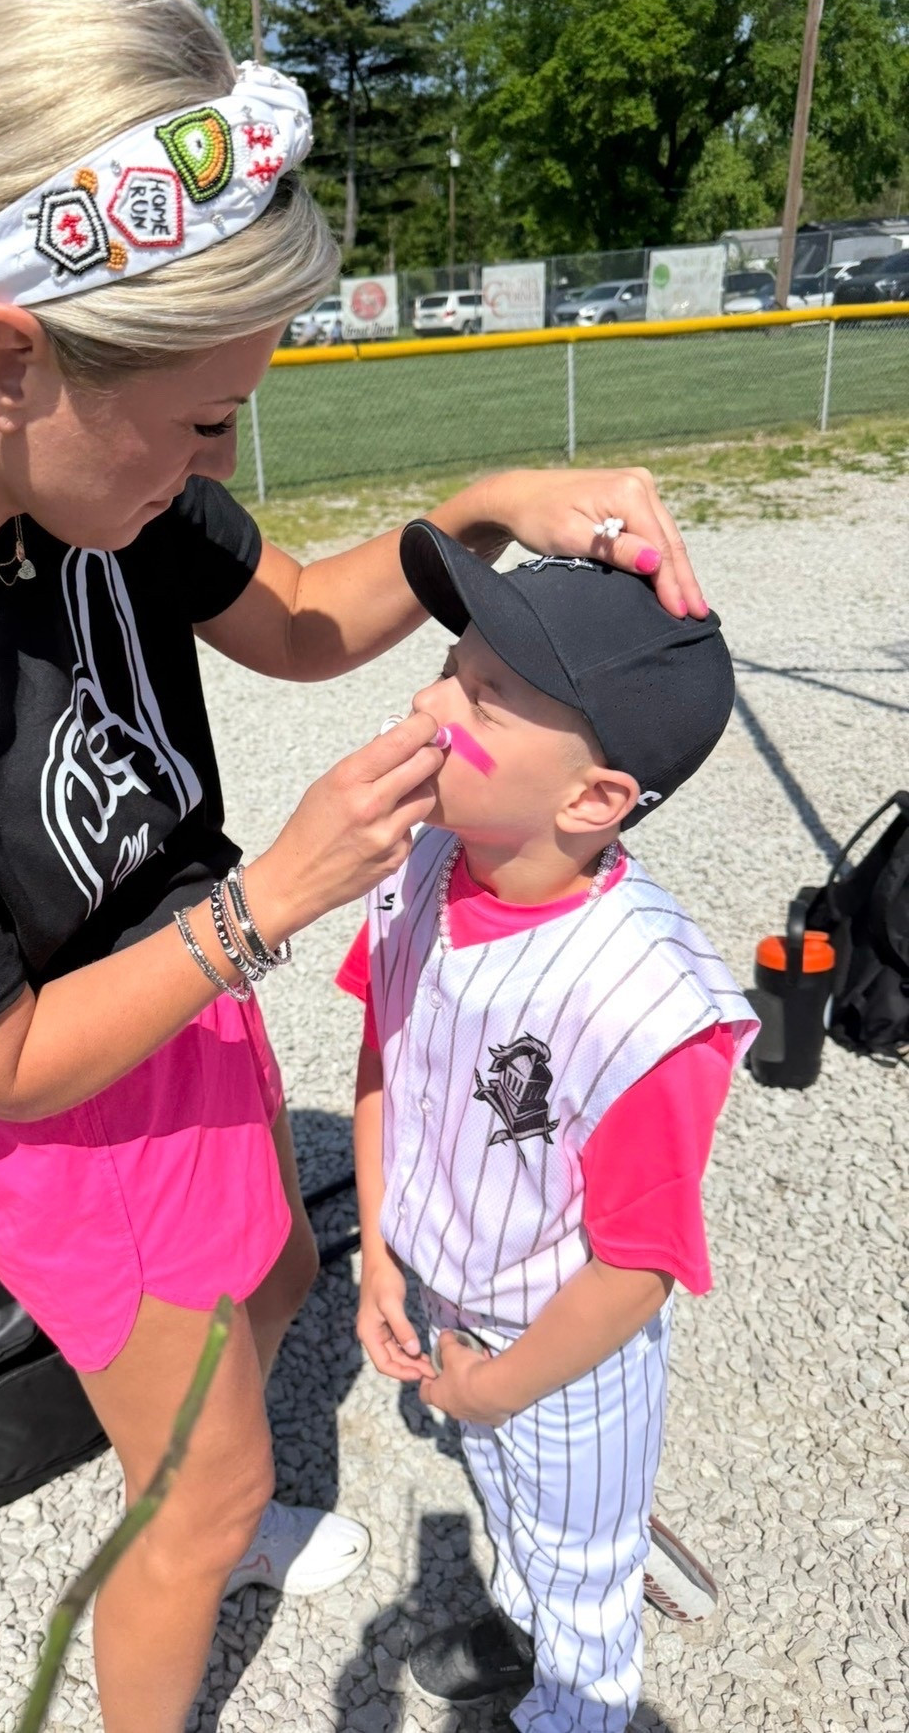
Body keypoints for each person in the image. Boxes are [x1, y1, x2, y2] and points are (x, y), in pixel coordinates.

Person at [0, 0, 709, 1730]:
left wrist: (488, 506)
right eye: (203, 428)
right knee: (186, 1494)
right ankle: (198, 1544)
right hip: (58, 1100)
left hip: (188, 979)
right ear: (9, 362)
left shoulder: (77, 467)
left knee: (268, 1268)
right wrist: (279, 898)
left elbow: (306, 619)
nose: (221, 468)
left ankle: (234, 1488)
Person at [339, 523, 758, 1732]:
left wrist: (498, 1385)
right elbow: (385, 1055)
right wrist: (378, 1251)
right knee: (508, 1501)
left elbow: (637, 1265)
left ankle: (566, 1678)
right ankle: (520, 1606)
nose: (427, 702)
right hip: (448, 1296)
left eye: (485, 694)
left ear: (594, 796)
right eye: (448, 664)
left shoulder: (643, 1000)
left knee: (587, 1593)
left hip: (566, 1349)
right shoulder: (424, 860)